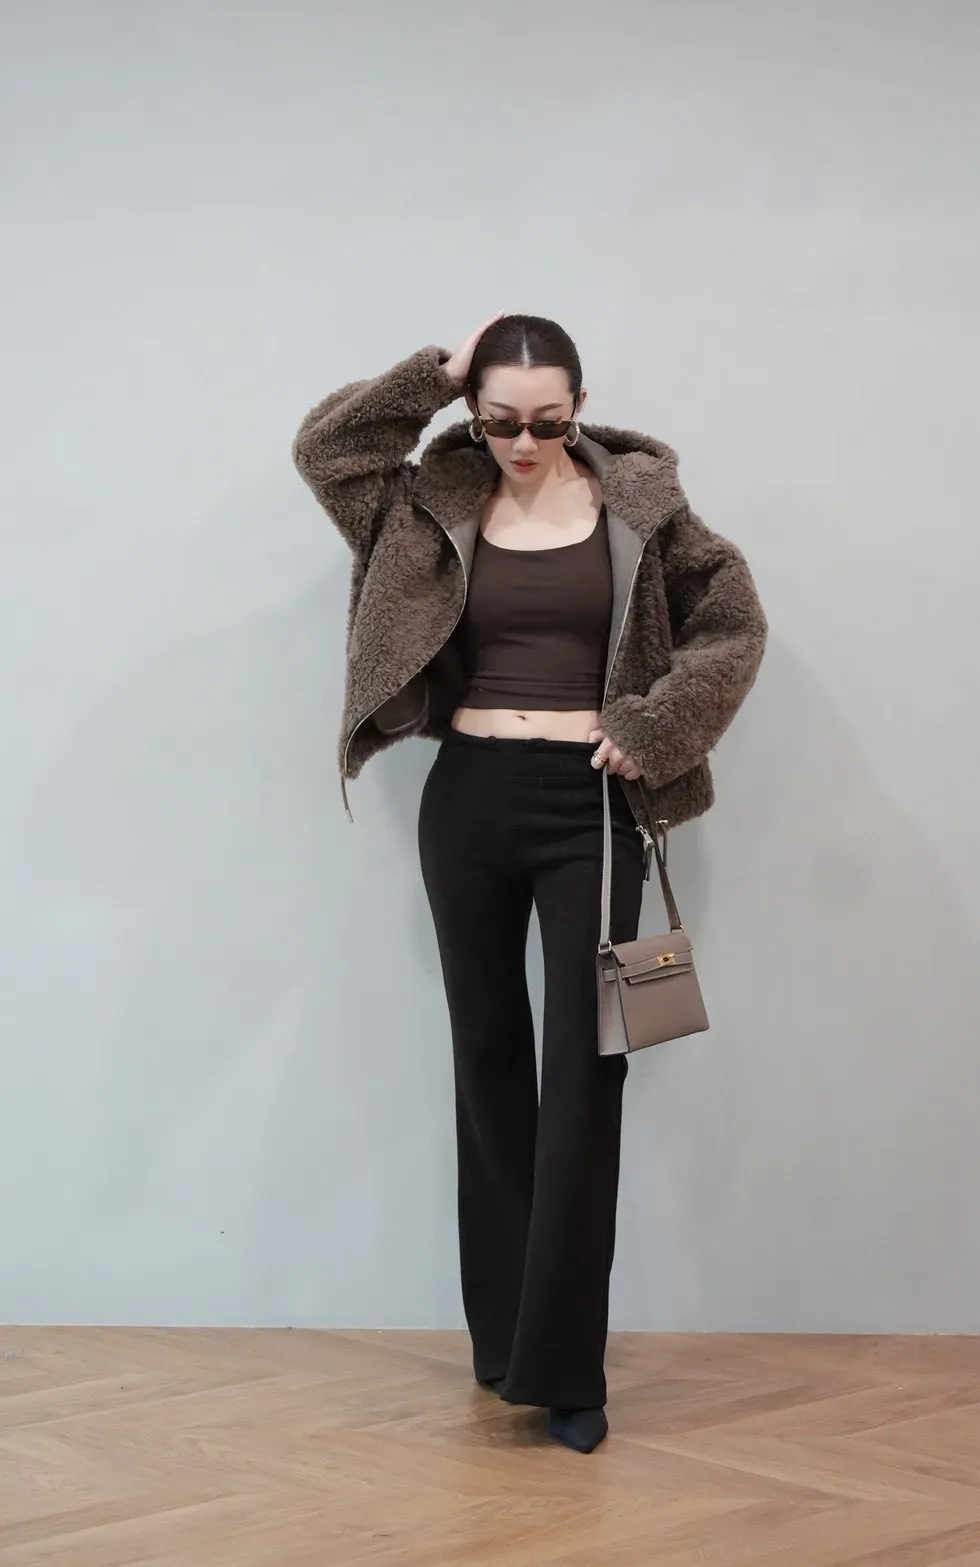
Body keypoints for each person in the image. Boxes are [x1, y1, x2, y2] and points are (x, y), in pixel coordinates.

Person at [291, 313, 767, 1452]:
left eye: (546, 422)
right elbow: (327, 451)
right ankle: (502, 1343)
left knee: (585, 1072)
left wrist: (653, 726)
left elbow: (732, 626)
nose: (520, 443)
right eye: (498, 419)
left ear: (580, 407)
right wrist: (434, 373)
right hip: (467, 802)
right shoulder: (428, 500)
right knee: (489, 1063)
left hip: (588, 808)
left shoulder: (642, 507)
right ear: (473, 411)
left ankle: (566, 1367)